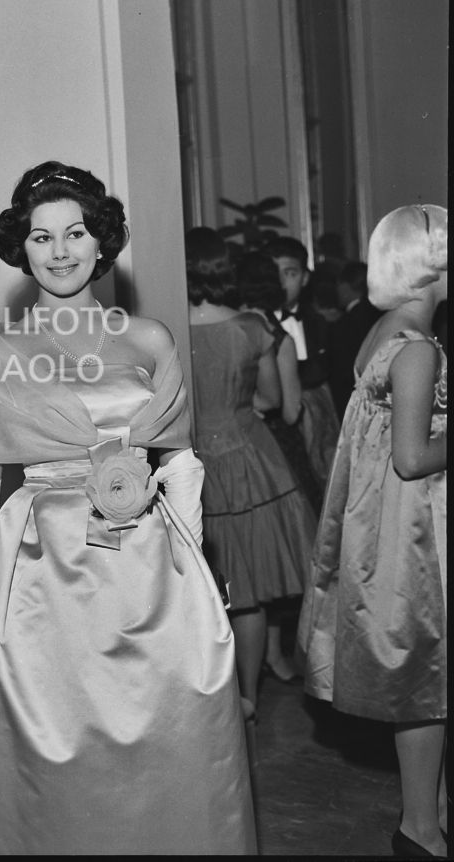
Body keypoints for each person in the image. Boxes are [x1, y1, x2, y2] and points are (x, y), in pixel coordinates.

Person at [0, 163, 256, 854]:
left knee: (169, 742)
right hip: (41, 584)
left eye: (75, 233)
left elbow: (182, 464)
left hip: (151, 570)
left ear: (101, 241)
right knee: (51, 763)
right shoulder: (2, 349)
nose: (59, 251)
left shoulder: (150, 339)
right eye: (41, 236)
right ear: (21, 248)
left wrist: (197, 575)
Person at [298, 205, 447, 859]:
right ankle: (422, 827)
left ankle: (429, 816)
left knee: (427, 683)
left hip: (390, 526)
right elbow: (412, 458)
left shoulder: (385, 329)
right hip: (417, 531)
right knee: (427, 683)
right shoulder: (417, 349)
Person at [185, 228, 319, 716]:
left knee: (202, 587)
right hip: (248, 460)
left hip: (190, 465)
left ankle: (208, 700)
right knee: (248, 594)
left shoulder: (167, 329)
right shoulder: (248, 328)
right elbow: (268, 401)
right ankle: (249, 698)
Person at [235, 248, 320, 686]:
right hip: (276, 453)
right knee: (281, 559)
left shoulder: (224, 328)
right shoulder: (275, 336)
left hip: (231, 452)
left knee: (249, 561)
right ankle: (276, 653)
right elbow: (288, 411)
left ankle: (262, 656)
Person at [264, 235, 341, 492]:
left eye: (291, 273)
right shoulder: (258, 324)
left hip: (319, 434)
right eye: (275, 273)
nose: (282, 282)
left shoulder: (320, 324)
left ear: (305, 278)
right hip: (276, 438)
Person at [326, 260, 382, 417]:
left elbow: (341, 372)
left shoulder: (343, 325)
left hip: (354, 404)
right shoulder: (382, 317)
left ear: (344, 287)